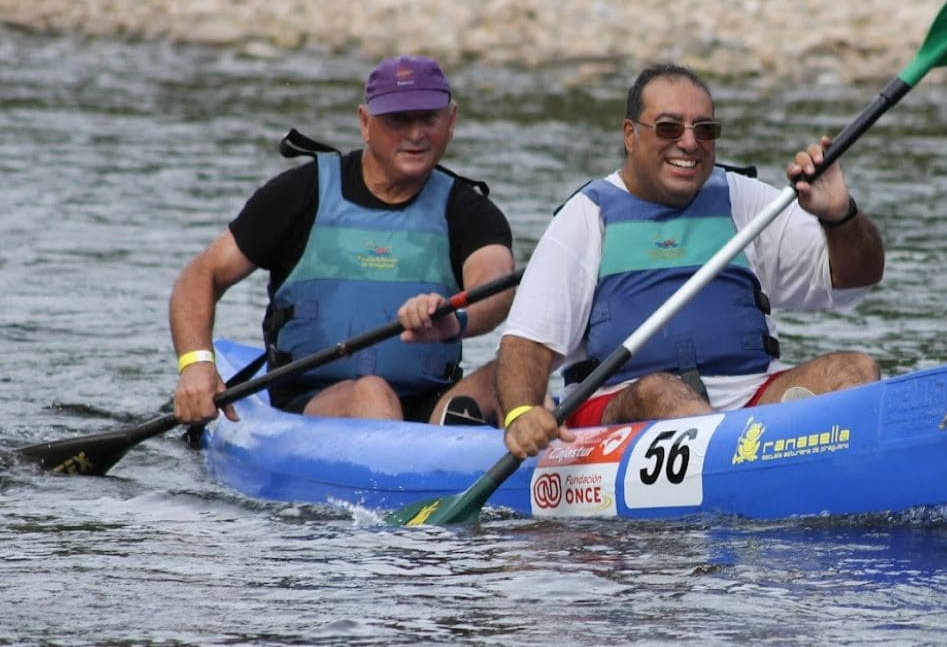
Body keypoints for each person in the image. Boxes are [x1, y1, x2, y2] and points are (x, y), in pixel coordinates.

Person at [498, 63, 886, 457]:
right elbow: (526, 344)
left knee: (855, 370)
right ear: (630, 135)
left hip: (746, 407)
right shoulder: (586, 216)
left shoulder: (747, 201)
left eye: (704, 130)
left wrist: (839, 215)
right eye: (669, 128)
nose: (689, 143)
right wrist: (521, 413)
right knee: (658, 390)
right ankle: (745, 466)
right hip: (622, 419)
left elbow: (857, 276)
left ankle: (799, 467)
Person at [170, 55, 514, 426]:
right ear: (365, 123)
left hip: (430, 401)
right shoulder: (301, 194)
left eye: (428, 118)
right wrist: (196, 365)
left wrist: (454, 318)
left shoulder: (469, 210)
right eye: (398, 120)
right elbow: (203, 274)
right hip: (316, 400)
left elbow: (495, 286)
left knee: (515, 373)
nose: (416, 134)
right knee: (372, 391)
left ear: (451, 121)